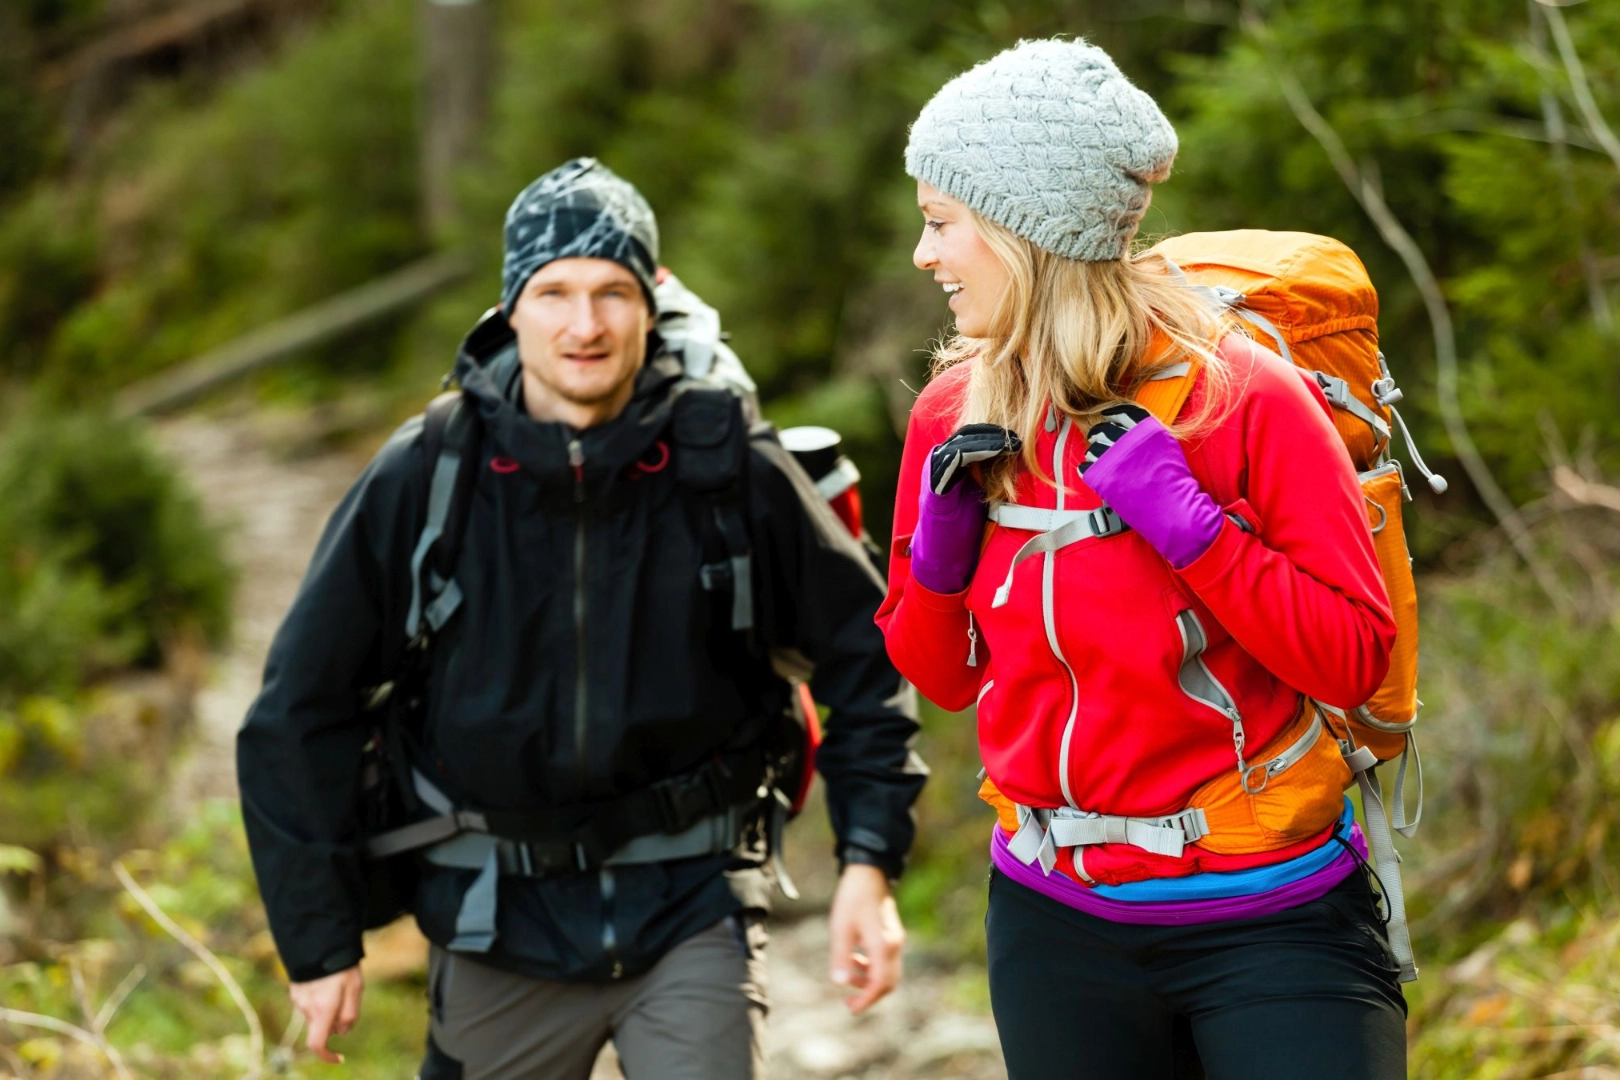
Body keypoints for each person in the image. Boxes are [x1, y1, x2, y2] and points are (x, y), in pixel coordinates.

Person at [238, 158, 926, 1079]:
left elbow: (869, 656)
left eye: (612, 292)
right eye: (554, 292)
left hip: (693, 909)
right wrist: (319, 942)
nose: (585, 324)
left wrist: (869, 862)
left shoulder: (726, 462)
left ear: (650, 305)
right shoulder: (430, 470)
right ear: (509, 309)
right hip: (493, 921)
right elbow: (298, 708)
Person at [876, 39, 1408, 1080]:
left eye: (942, 222)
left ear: (1027, 229)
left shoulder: (1244, 399)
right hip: (1055, 923)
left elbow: (1353, 658)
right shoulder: (955, 414)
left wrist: (1197, 532)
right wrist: (937, 562)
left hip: (1271, 917)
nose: (924, 254)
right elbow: (940, 677)